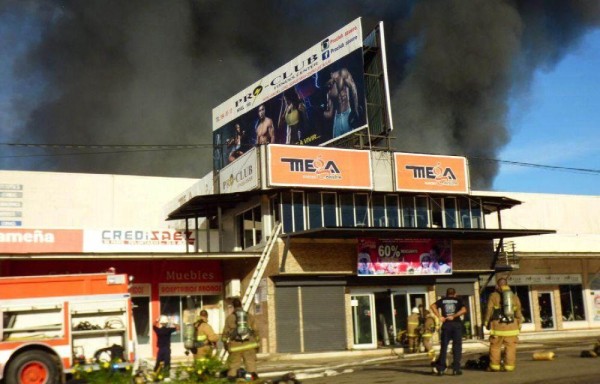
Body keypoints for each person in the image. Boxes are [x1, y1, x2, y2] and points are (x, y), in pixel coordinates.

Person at [483, 277, 523, 372]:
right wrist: (519, 323)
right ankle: (509, 366)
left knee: (495, 347)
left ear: (497, 285)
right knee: (510, 348)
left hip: (497, 327)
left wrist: (486, 321)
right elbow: (518, 311)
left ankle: (494, 366)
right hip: (512, 327)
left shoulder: (493, 296)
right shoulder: (514, 296)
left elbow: (489, 309)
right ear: (507, 284)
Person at [430, 288, 467, 376]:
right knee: (457, 347)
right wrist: (454, 316)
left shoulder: (442, 300)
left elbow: (432, 306)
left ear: (446, 294)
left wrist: (439, 316)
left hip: (446, 325)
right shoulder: (458, 300)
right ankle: (456, 369)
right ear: (455, 294)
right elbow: (464, 310)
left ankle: (441, 369)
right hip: (456, 325)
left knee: (444, 347)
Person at [222, 298, 259, 382]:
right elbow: (256, 330)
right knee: (251, 368)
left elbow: (225, 333)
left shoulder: (229, 318)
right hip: (249, 345)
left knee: (233, 368)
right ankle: (251, 381)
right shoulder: (249, 316)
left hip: (235, 347)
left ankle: (232, 382)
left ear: (233, 306)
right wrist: (257, 343)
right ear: (241, 305)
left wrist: (225, 344)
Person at [324, 67, 360, 138]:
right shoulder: (329, 92)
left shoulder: (342, 73)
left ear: (331, 75)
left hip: (347, 114)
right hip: (337, 118)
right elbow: (330, 114)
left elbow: (353, 88)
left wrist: (356, 110)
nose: (329, 85)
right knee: (336, 145)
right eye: (327, 84)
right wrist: (319, 112)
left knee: (353, 140)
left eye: (329, 82)